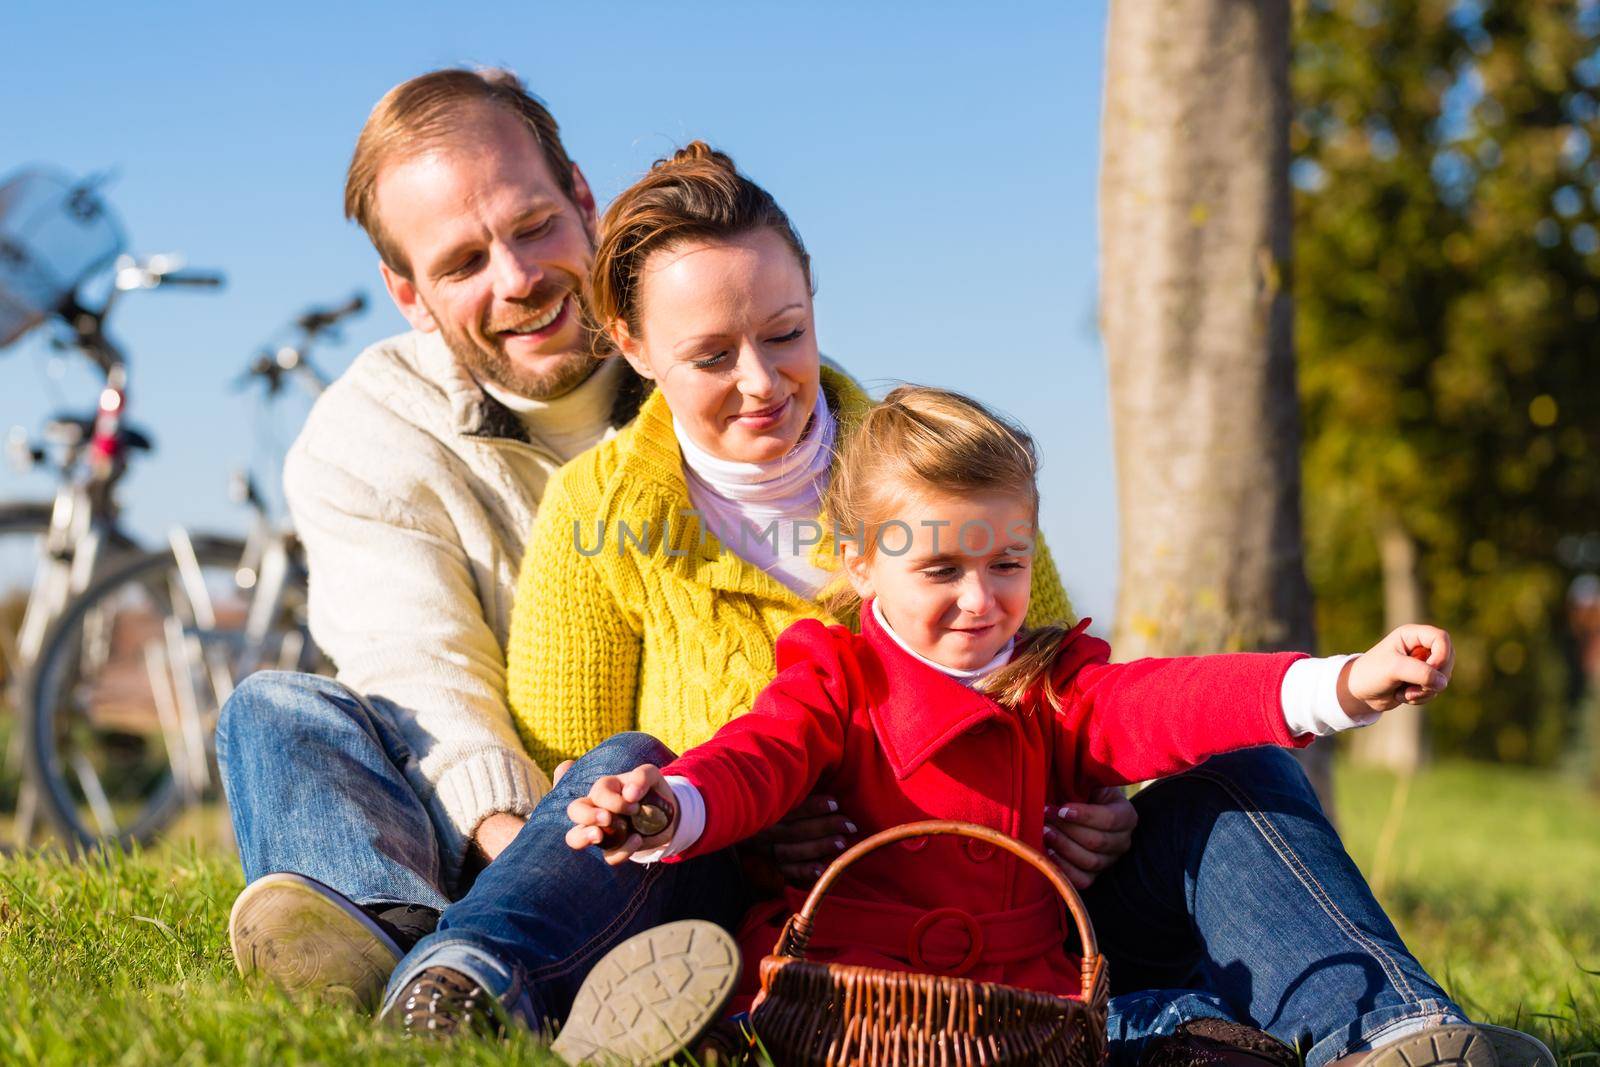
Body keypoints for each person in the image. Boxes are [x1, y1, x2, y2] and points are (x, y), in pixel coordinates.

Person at [376, 145, 1555, 1067]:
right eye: (712, 351)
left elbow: (1136, 702)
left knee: (1236, 771)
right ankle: (475, 979)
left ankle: (1391, 1029)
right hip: (777, 908)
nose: (759, 379)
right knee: (622, 766)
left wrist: (1326, 686)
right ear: (630, 344)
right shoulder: (624, 527)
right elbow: (692, 756)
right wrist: (677, 808)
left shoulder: (936, 474)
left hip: (1028, 926)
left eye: (785, 334)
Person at [215, 68, 1135, 1022]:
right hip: (500, 813)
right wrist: (531, 840)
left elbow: (1032, 664)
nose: (519, 278)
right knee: (278, 709)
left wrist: (1096, 796)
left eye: (534, 227)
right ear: (409, 293)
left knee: (1230, 774)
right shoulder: (375, 436)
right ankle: (393, 941)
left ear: (583, 199)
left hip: (728, 823)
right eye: (463, 263)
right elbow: (424, 675)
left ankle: (449, 973)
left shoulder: (746, 354)